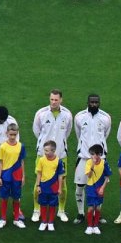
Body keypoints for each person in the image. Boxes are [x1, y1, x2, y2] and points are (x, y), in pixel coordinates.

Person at [31, 90, 72, 223]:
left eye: (56, 100)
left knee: (62, 183)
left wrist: (59, 145)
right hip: (42, 155)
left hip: (60, 155)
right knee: (39, 182)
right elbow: (37, 131)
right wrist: (45, 147)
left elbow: (67, 132)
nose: (53, 102)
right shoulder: (41, 114)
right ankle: (36, 210)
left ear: (61, 100)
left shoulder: (67, 115)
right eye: (51, 99)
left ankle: (61, 210)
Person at [72, 94, 110, 224]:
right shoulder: (79, 117)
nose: (94, 104)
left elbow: (105, 135)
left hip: (100, 160)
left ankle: (96, 213)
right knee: (80, 186)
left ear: (99, 103)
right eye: (92, 102)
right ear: (87, 102)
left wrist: (97, 153)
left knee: (99, 187)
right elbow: (78, 134)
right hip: (83, 158)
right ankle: (81, 213)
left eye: (96, 102)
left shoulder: (105, 118)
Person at [0, 123, 26, 229]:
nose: (13, 137)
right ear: (7, 133)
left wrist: (23, 176)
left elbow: (22, 162)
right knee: (4, 198)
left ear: (17, 133)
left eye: (15, 134)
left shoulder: (21, 146)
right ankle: (3, 219)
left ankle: (16, 219)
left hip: (17, 177)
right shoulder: (3, 147)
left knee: (16, 198)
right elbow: (0, 162)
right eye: (11, 134)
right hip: (5, 176)